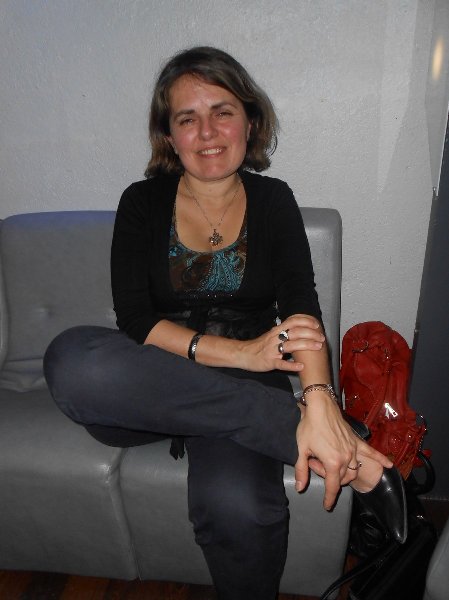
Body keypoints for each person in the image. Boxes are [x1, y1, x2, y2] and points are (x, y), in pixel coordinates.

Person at [44, 46, 406, 600]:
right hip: (151, 381)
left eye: (222, 111)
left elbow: (302, 311)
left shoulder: (273, 200)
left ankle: (293, 432)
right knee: (74, 362)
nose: (207, 132)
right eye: (187, 118)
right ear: (169, 136)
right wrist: (243, 355)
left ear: (249, 121)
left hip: (246, 385)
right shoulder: (141, 202)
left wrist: (320, 400)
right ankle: (333, 448)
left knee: (238, 507)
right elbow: (136, 319)